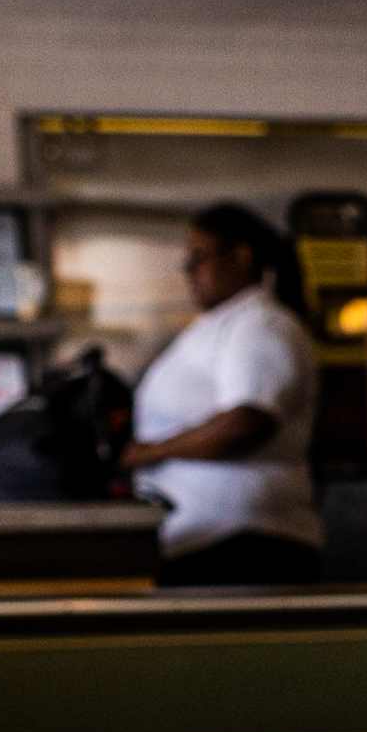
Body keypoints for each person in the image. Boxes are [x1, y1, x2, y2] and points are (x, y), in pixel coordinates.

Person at [126, 202, 321, 586]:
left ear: (242, 256)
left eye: (199, 257)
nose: (189, 271)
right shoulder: (225, 323)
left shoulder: (261, 325)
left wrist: (146, 453)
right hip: (204, 538)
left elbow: (247, 421)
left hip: (244, 542)